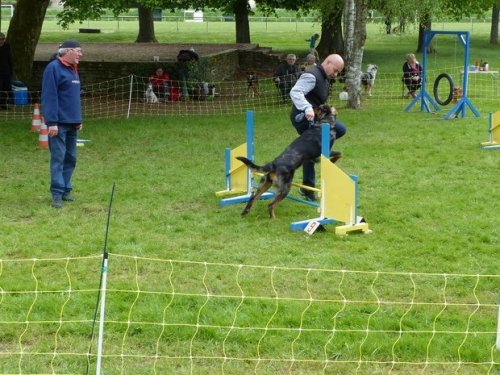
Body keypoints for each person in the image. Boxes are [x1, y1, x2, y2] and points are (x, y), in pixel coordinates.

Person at [289, 54, 347, 202]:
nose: (335, 74)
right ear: (327, 62)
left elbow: (318, 99)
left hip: (316, 117)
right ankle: (308, 187)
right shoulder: (312, 76)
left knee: (340, 129)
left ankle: (319, 154)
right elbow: (295, 92)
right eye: (335, 70)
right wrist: (307, 107)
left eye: (338, 72)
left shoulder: (324, 77)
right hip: (303, 117)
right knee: (313, 146)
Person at [41, 39, 84, 208]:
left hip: (72, 123)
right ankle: (57, 194)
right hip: (58, 124)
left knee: (71, 158)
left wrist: (78, 119)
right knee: (58, 158)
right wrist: (51, 122)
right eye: (78, 50)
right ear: (67, 51)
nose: (81, 54)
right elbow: (49, 96)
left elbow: (73, 98)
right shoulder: (53, 68)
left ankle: (66, 189)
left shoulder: (73, 69)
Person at [0, 32, 13, 110]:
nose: (1, 41)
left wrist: (11, 70)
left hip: (6, 71)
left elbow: (9, 59)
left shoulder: (7, 46)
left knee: (6, 88)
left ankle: (4, 104)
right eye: (0, 39)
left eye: (3, 39)